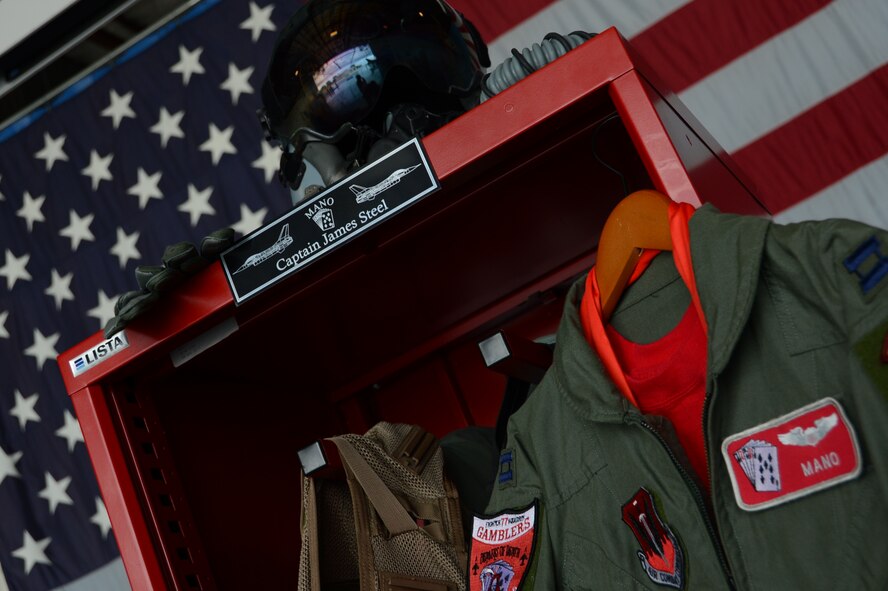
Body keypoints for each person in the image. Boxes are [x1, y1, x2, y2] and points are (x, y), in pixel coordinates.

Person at [104, 0, 490, 338]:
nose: (404, 126)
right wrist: (210, 314)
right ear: (303, 166)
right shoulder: (318, 313)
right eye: (345, 98)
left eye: (426, 77)